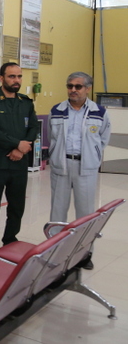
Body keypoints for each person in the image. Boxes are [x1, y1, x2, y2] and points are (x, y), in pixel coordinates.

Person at [49, 72, 111, 270]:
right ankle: (55, 253)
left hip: (86, 167)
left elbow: (103, 139)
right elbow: (52, 137)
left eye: (78, 86)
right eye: (70, 86)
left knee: (85, 213)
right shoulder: (57, 110)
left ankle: (84, 254)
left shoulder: (99, 112)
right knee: (57, 211)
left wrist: (92, 155)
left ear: (88, 89)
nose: (73, 90)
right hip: (61, 165)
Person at [0, 63, 39, 256]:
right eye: (12, 76)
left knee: (17, 205)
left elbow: (34, 127)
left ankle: (10, 238)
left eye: (19, 76)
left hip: (19, 163)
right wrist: (16, 144)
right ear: (1, 78)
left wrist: (22, 148)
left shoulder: (26, 102)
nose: (16, 80)